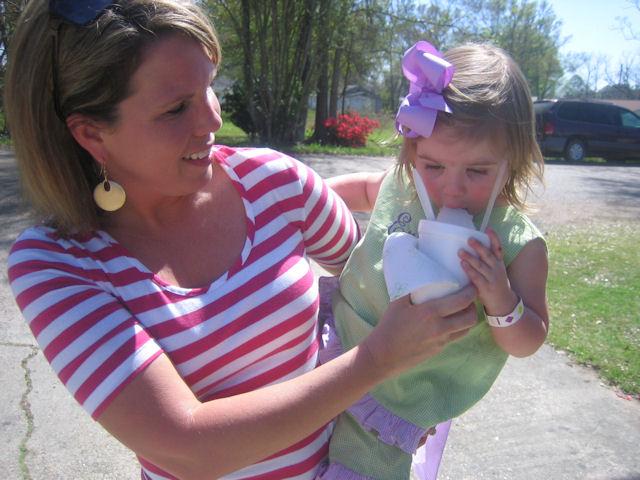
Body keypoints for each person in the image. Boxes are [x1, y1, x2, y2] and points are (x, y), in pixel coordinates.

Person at [5, 3, 479, 479]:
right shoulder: (56, 263)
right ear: (92, 134)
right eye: (176, 108)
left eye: (209, 85)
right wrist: (375, 361)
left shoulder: (276, 182)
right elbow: (189, 449)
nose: (212, 118)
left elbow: (382, 278)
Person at [318, 41, 550, 479]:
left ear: (512, 162)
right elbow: (365, 189)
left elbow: (529, 339)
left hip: (399, 395)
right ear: (412, 152)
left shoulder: (516, 242)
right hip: (333, 343)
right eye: (434, 166)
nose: (452, 188)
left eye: (477, 171)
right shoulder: (407, 185)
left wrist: (500, 298)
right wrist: (301, 197)